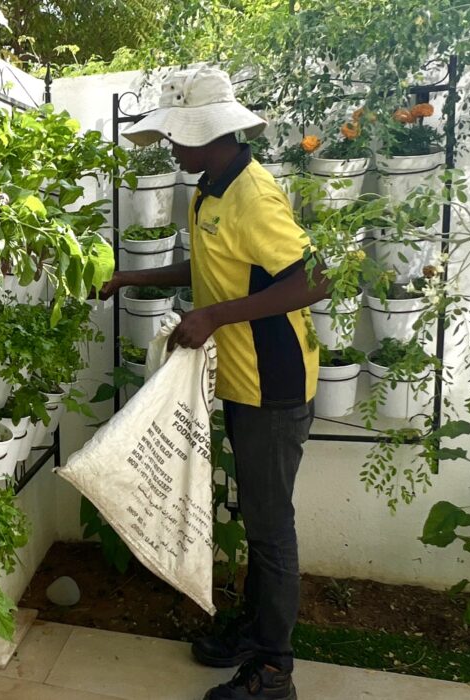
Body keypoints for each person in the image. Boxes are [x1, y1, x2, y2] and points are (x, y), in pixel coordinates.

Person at [102, 66, 330, 700]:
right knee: (259, 518)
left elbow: (315, 279)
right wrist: (133, 279)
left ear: (215, 134)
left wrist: (213, 318)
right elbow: (206, 266)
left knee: (270, 526)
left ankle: (274, 671)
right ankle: (256, 634)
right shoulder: (211, 187)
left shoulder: (253, 196)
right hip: (241, 378)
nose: (172, 148)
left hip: (274, 385)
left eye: (181, 137)